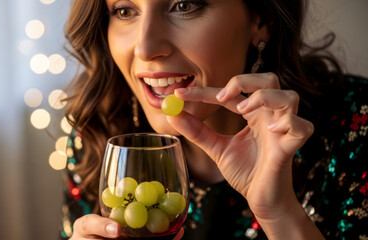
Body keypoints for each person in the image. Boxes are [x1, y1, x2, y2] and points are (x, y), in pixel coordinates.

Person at [59, 0, 368, 239]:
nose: (145, 48)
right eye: (125, 10)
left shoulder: (358, 123)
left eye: (184, 5)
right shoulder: (98, 135)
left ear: (260, 19)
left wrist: (279, 212)